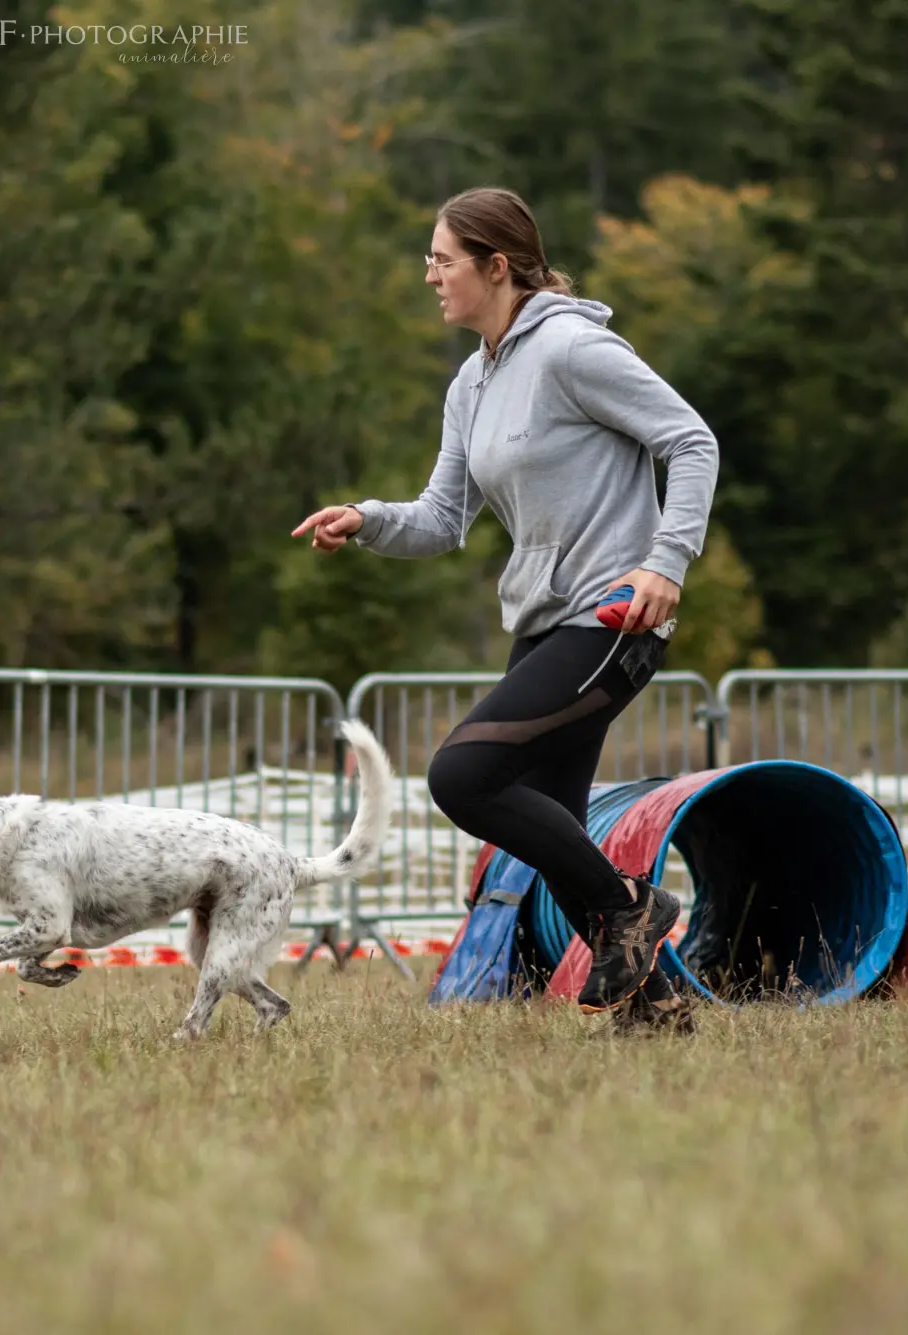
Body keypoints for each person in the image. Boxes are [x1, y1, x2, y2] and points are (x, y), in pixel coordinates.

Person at [292, 186, 718, 1031]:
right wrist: (368, 519)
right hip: (542, 623)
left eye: (443, 259)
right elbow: (443, 519)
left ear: (496, 267)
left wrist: (666, 562)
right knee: (555, 829)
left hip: (612, 616)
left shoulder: (570, 348)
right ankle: (658, 1008)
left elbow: (691, 439)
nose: (429, 275)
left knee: (463, 775)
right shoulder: (471, 384)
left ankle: (631, 906)